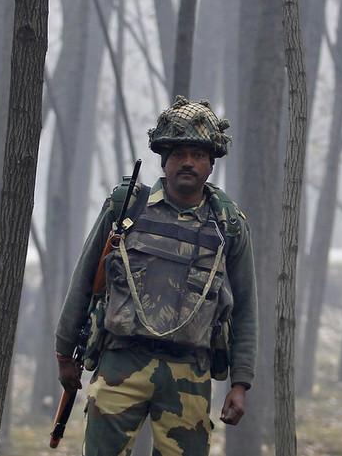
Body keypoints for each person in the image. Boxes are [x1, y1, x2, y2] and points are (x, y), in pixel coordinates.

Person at [55, 96, 258, 456]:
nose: (188, 162)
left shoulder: (228, 225)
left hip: (189, 374)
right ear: (164, 160)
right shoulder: (127, 207)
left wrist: (240, 382)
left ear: (211, 164)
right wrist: (63, 352)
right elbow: (85, 278)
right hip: (120, 360)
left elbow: (244, 308)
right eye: (179, 154)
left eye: (198, 155)